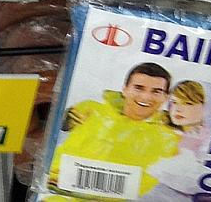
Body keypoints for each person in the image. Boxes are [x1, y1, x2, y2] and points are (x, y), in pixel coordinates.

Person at [48, 63, 180, 198]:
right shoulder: (91, 109)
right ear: (125, 89)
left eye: (156, 91)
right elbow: (57, 129)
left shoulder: (169, 138)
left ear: (166, 97)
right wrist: (65, 118)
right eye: (139, 88)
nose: (146, 97)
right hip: (56, 191)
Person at [144, 81, 211, 201]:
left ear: (208, 107)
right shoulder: (160, 130)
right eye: (174, 102)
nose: (177, 109)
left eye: (188, 103)